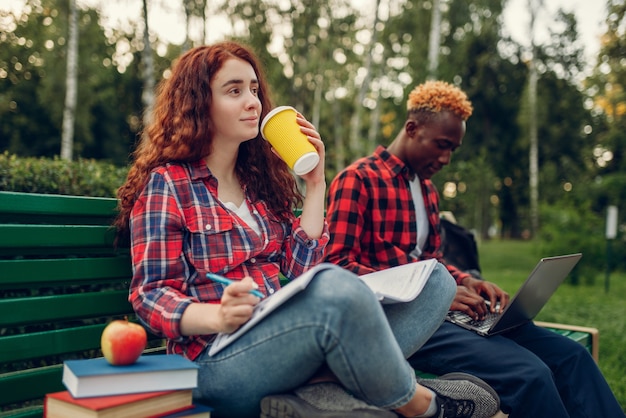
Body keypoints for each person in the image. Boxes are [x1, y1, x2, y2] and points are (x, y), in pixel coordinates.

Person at [113, 42, 501, 418]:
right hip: (216, 364)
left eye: (253, 89)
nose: (253, 101)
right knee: (335, 288)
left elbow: (303, 269)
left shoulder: (257, 186)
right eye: (234, 91)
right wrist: (217, 317)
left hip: (288, 351)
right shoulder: (169, 185)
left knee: (436, 282)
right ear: (199, 104)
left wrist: (316, 184)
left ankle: (325, 392)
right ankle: (418, 403)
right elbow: (150, 295)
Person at [325, 80, 626, 418]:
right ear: (412, 128)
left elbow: (431, 262)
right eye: (442, 145)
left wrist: (466, 281)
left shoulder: (426, 190)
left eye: (453, 148)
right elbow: (336, 269)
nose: (447, 159)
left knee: (571, 356)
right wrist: (428, 294)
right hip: (399, 323)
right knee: (530, 375)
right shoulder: (358, 179)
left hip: (444, 316)